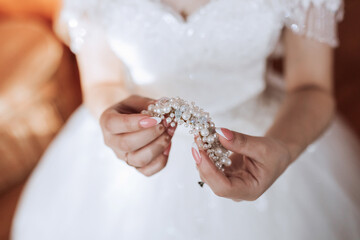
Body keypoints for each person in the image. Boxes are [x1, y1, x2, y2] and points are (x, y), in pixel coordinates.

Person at [12, 0, 360, 239]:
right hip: (142, 140)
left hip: (264, 133)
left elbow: (312, 86)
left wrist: (283, 147)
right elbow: (103, 82)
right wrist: (114, 122)